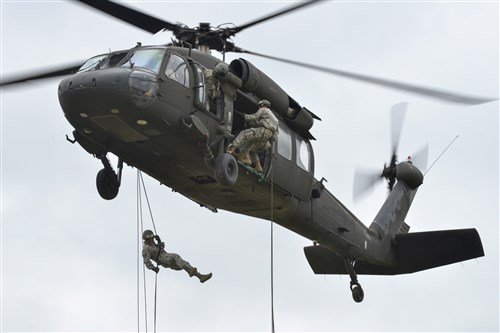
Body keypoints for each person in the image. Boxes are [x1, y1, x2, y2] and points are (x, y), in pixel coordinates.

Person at [226, 100, 278, 173]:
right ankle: (254, 164)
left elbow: (254, 117)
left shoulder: (264, 109)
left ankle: (230, 149)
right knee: (250, 143)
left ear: (263, 105)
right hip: (266, 141)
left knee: (243, 134)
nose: (259, 107)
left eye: (260, 106)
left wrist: (244, 115)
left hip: (262, 132)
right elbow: (275, 136)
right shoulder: (275, 120)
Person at [142, 230, 212, 283]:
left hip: (167, 258)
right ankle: (197, 275)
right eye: (150, 239)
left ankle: (199, 276)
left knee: (185, 264)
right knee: (176, 256)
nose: (152, 240)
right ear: (147, 239)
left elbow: (161, 249)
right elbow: (146, 260)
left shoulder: (153, 245)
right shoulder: (146, 248)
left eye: (152, 238)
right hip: (163, 260)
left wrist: (159, 241)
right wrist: (153, 268)